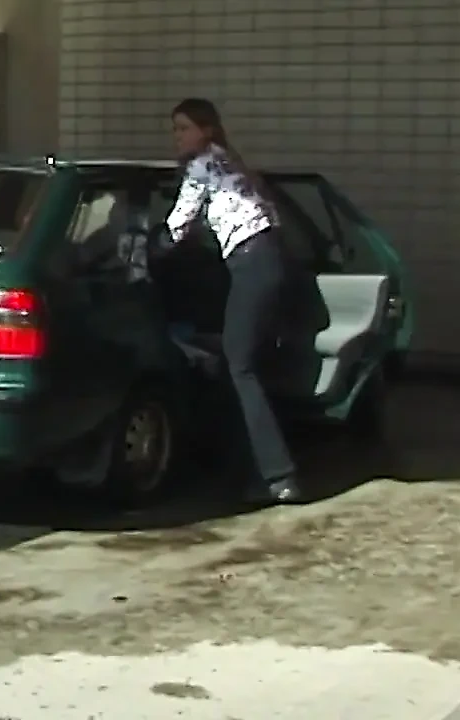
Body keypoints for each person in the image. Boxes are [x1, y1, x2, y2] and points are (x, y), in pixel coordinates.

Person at [162, 97, 304, 505]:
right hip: (274, 259)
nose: (178, 136)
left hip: (252, 263)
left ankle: (280, 477)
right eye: (174, 129)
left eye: (184, 128)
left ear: (206, 130)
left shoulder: (202, 166)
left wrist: (142, 251)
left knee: (238, 365)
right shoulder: (228, 160)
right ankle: (242, 466)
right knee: (243, 365)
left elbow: (177, 226)